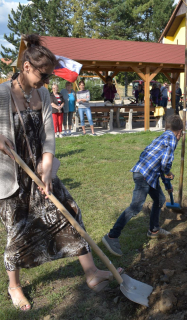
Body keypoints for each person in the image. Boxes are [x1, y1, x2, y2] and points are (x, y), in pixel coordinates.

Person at [0, 34, 122, 312]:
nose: (46, 82)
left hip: (40, 171)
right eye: (43, 76)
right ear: (27, 67)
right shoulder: (3, 93)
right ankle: (14, 285)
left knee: (69, 210)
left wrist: (46, 169)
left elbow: (48, 136)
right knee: (16, 231)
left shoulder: (42, 94)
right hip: (10, 177)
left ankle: (91, 273)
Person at [102, 115, 183, 256]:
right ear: (180, 132)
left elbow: (153, 160)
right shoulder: (172, 138)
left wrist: (166, 182)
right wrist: (167, 173)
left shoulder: (161, 137)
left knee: (159, 200)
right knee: (135, 207)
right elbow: (165, 164)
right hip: (145, 176)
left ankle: (154, 230)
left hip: (145, 173)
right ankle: (111, 236)